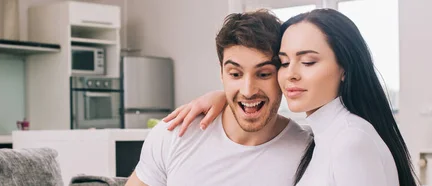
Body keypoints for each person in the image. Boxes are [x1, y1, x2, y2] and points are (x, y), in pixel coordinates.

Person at [164, 8, 418, 186]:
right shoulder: (324, 136)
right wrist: (224, 98)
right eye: (284, 63)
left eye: (308, 62)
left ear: (344, 68)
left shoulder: (351, 141)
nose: (291, 75)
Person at [125, 9, 312, 186]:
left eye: (263, 74)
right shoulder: (175, 134)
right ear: (221, 73)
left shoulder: (307, 151)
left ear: (282, 74)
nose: (248, 90)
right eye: (235, 74)